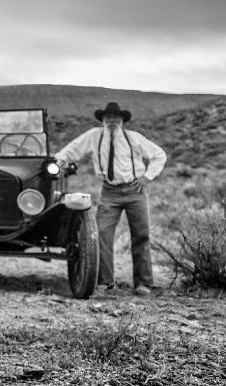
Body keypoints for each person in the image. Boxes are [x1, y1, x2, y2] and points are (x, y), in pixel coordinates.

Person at [55, 101, 167, 296]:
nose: (112, 120)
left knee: (141, 236)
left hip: (135, 190)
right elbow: (71, 151)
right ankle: (105, 283)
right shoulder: (94, 136)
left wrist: (147, 177)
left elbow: (159, 155)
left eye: (116, 117)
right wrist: (56, 162)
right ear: (103, 120)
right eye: (108, 117)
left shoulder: (134, 138)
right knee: (100, 235)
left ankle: (143, 283)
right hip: (110, 192)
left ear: (122, 120)